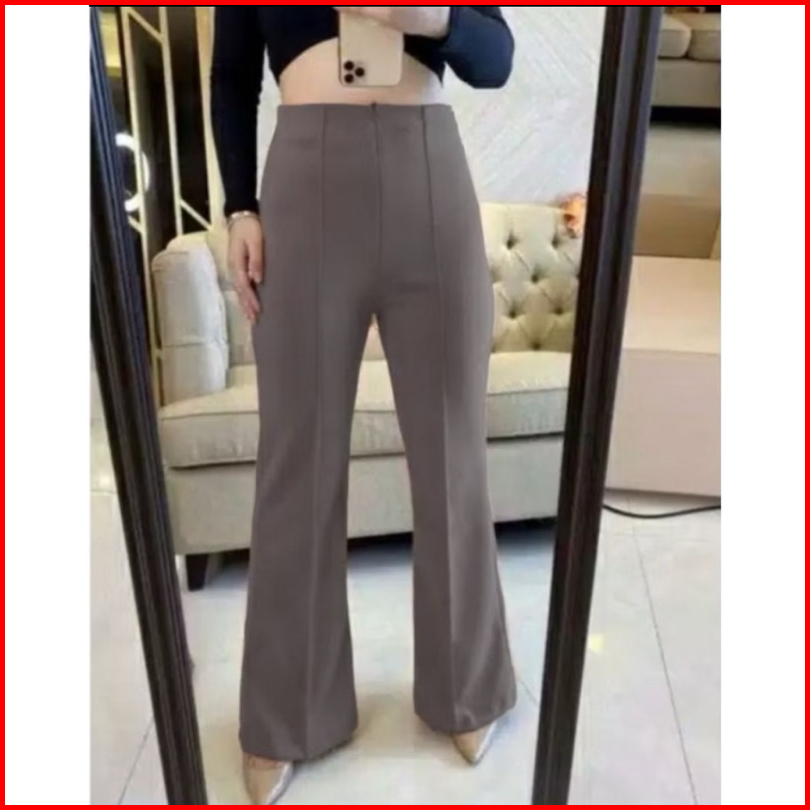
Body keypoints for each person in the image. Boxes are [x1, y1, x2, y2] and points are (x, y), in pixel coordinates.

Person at [211, 6, 517, 804]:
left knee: (452, 452)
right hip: (304, 180)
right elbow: (232, 75)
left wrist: (436, 18)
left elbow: (496, 58)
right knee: (297, 459)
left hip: (429, 173)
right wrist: (240, 206)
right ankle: (287, 713)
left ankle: (468, 687)